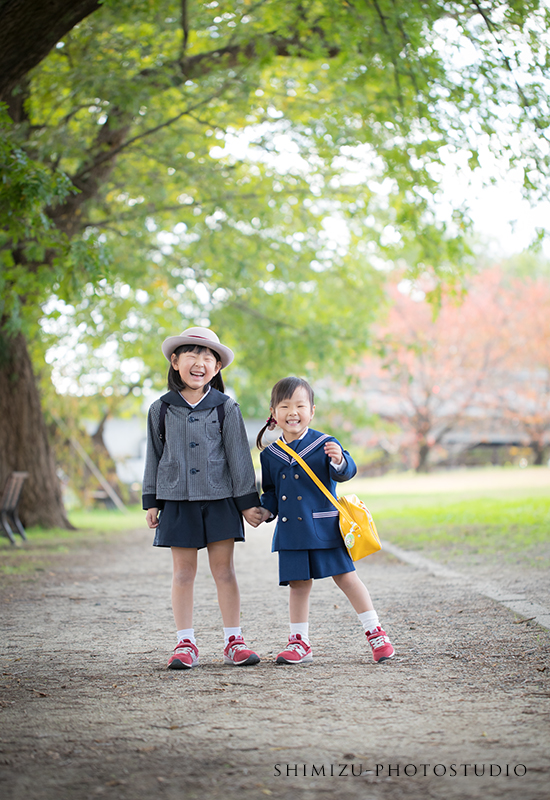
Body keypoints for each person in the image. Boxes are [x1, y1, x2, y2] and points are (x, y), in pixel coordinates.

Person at [143, 326, 264, 670]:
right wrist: (152, 500)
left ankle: (234, 640)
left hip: (220, 500)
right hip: (177, 500)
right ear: (175, 361)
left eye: (208, 356)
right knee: (183, 573)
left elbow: (240, 457)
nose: (200, 362)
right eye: (192, 354)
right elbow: (153, 455)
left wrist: (246, 504)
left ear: (217, 367)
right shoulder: (160, 409)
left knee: (224, 571)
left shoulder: (226, 408)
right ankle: (186, 643)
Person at [256, 376, 394, 664]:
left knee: (347, 578)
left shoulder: (325, 443)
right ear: (273, 413)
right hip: (291, 531)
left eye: (299, 405)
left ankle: (376, 633)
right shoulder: (269, 455)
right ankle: (299, 642)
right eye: (284, 406)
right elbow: (270, 491)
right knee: (298, 585)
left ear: (312, 411)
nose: (292, 412)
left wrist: (339, 460)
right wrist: (265, 511)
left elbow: (346, 472)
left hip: (324, 527)